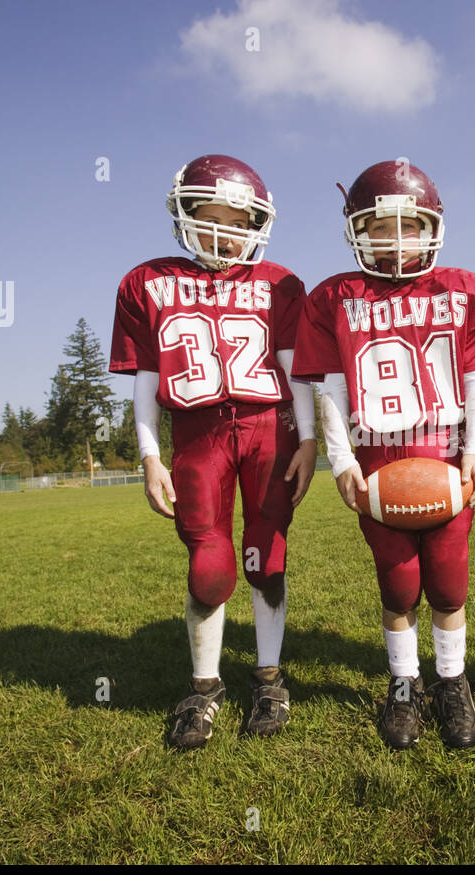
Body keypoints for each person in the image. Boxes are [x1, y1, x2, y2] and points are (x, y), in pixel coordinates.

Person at [293, 160, 475, 749]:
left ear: (430, 227)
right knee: (397, 582)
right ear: (356, 230)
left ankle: (452, 680)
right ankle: (402, 683)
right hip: (376, 460)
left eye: (407, 226)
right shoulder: (336, 297)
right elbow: (331, 388)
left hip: (443, 452)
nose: (393, 240)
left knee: (447, 580)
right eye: (378, 226)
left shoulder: (465, 290)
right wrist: (340, 461)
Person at [108, 155, 316, 749]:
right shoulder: (146, 281)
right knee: (208, 562)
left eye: (236, 219)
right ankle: (204, 686)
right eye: (210, 217)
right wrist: (149, 453)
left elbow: (293, 370)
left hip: (267, 428)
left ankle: (270, 676)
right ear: (183, 216)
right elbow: (146, 377)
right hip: (196, 433)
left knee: (265, 554)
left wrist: (307, 438)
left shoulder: (279, 282)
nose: (224, 232)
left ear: (258, 223)